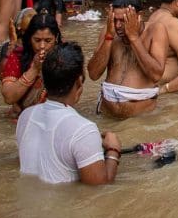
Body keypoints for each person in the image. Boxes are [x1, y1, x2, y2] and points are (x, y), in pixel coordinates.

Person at [17, 43, 122, 184]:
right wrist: (113, 150)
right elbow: (99, 186)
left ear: (43, 79)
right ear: (79, 81)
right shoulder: (84, 129)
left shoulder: (26, 116)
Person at [87, 0, 163, 118]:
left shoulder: (156, 30)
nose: (118, 26)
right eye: (115, 20)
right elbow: (93, 74)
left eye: (123, 20)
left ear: (140, 16)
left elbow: (156, 75)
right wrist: (109, 37)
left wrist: (133, 37)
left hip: (141, 119)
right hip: (106, 115)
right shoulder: (109, 30)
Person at [0, 13, 61, 113]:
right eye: (37, 40)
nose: (42, 46)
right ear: (29, 38)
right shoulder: (18, 56)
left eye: (48, 40)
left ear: (56, 38)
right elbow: (9, 97)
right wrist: (34, 69)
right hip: (22, 118)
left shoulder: (64, 57)